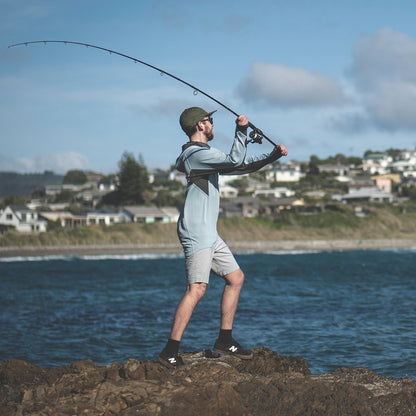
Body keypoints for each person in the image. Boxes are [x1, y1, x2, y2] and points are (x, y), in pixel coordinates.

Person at [158, 107, 288, 367]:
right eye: (210, 120)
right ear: (199, 126)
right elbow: (235, 161)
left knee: (235, 278)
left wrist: (272, 156)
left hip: (209, 232)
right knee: (197, 289)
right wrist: (241, 131)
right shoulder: (195, 154)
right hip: (196, 232)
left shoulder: (205, 156)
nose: (213, 124)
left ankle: (224, 339)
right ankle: (169, 351)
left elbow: (239, 168)